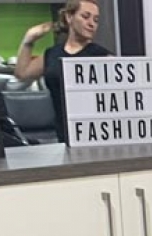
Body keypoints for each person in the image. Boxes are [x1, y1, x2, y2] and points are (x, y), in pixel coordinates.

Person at [13, 0, 110, 144]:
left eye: (95, 20)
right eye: (85, 17)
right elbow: (22, 73)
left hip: (96, 136)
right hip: (63, 136)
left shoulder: (102, 56)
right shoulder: (52, 54)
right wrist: (28, 41)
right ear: (69, 17)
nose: (91, 24)